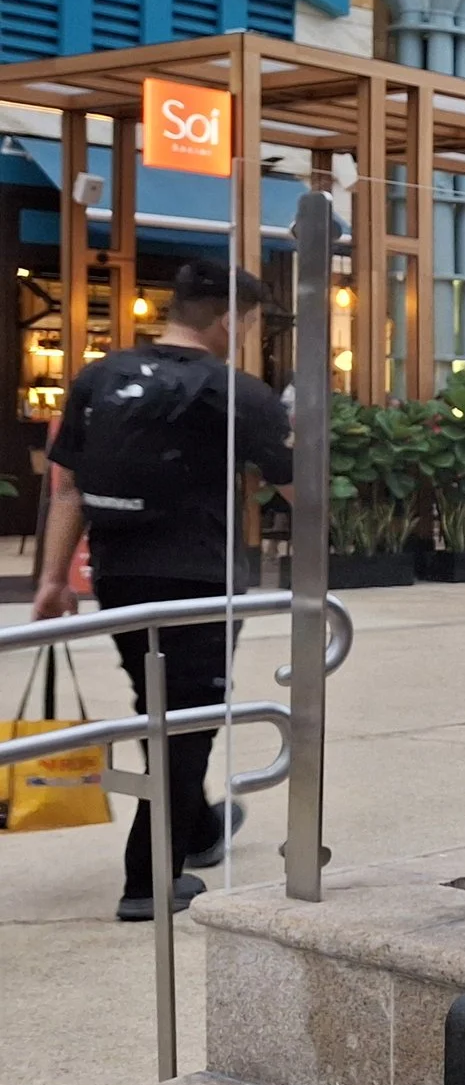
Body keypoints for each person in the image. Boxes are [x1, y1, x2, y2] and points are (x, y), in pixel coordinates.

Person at [34, 260, 294, 922]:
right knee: (185, 721)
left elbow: (67, 487)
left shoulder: (100, 376)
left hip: (119, 575)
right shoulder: (237, 390)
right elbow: (300, 488)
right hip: (201, 580)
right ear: (232, 318)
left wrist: (51, 580)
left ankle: (201, 827)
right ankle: (147, 880)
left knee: (161, 703)